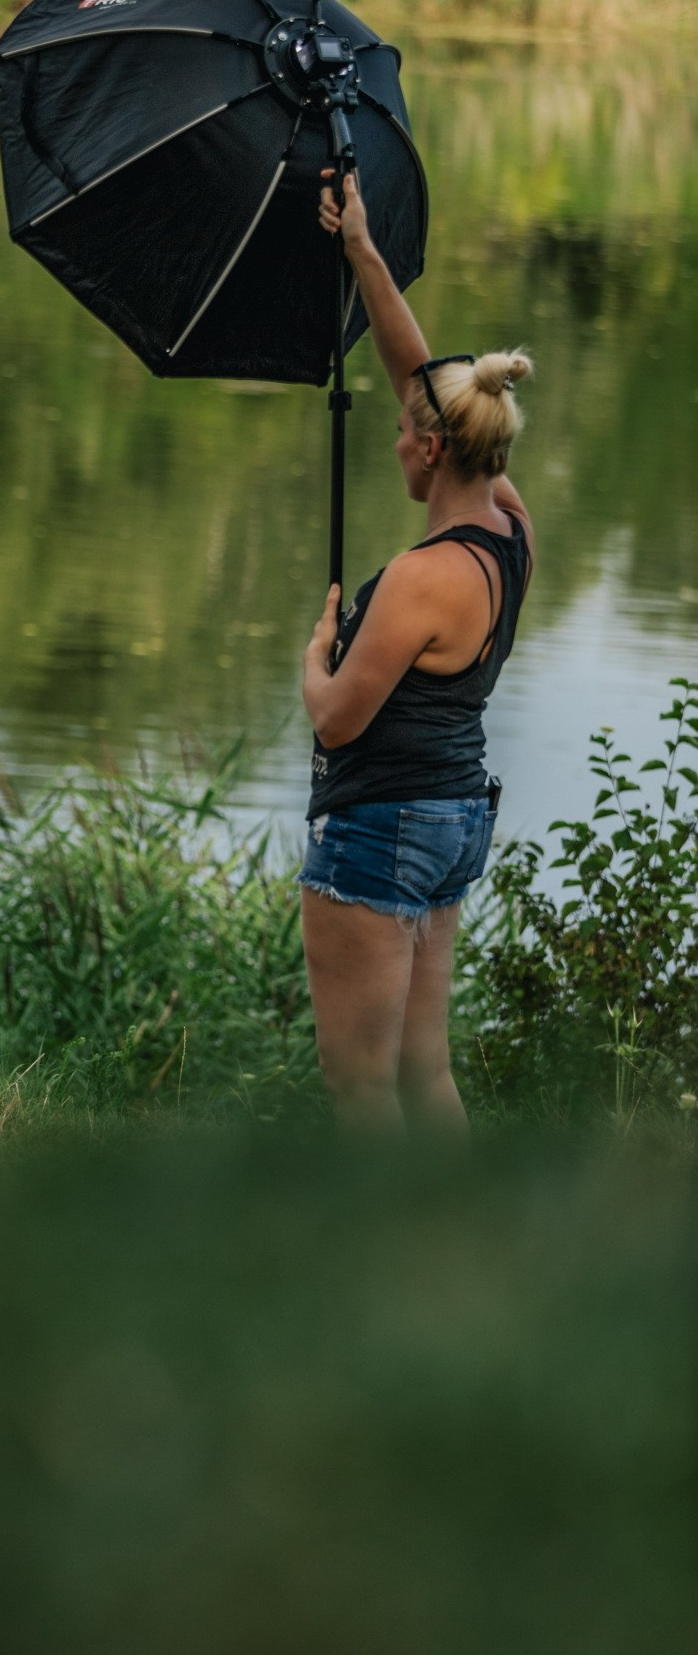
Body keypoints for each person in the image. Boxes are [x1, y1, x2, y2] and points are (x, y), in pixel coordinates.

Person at [301, 172, 535, 1131]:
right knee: (423, 1077)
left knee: (359, 1088)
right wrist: (361, 251)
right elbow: (422, 375)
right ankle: (464, 1265)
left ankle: (380, 1272)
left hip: (383, 826)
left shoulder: (417, 577)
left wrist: (313, 652)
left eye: (406, 429)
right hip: (451, 822)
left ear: (431, 452)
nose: (397, 436)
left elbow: (337, 715)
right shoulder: (510, 531)